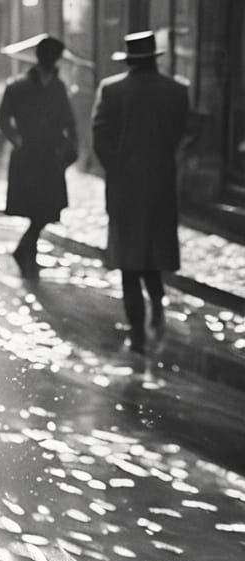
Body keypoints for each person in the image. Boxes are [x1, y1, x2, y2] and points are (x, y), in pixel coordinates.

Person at [92, 30, 189, 354]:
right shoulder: (177, 92)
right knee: (153, 255)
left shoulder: (112, 90)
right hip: (161, 185)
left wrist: (117, 168)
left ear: (130, 60)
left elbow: (100, 138)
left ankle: (136, 333)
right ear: (154, 59)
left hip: (126, 188)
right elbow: (181, 134)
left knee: (129, 262)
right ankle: (157, 307)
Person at [0, 34, 78, 278]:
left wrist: (71, 146)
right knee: (36, 208)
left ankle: (26, 251)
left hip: (50, 156)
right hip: (29, 156)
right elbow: (2, 118)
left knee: (46, 209)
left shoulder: (57, 87)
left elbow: (68, 120)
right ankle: (27, 254)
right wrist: (17, 140)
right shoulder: (19, 86)